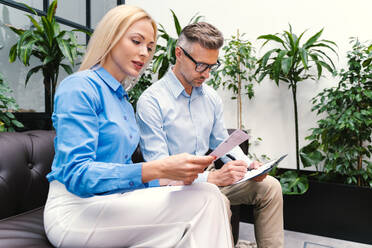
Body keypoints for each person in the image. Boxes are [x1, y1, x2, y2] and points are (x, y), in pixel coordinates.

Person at [43, 6, 233, 248]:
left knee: (204, 194)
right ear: (110, 37)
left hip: (115, 200)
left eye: (150, 47)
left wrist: (171, 178)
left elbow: (123, 173)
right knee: (206, 200)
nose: (144, 53)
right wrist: (159, 168)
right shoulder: (79, 88)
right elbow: (77, 175)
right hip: (75, 209)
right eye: (136, 41)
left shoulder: (121, 98)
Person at [136, 22, 284, 248]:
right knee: (219, 203)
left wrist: (247, 165)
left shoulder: (210, 98)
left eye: (211, 67)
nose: (206, 74)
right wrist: (209, 179)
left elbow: (221, 143)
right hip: (175, 188)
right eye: (200, 66)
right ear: (179, 54)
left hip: (209, 177)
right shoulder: (151, 102)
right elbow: (160, 168)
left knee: (270, 188)